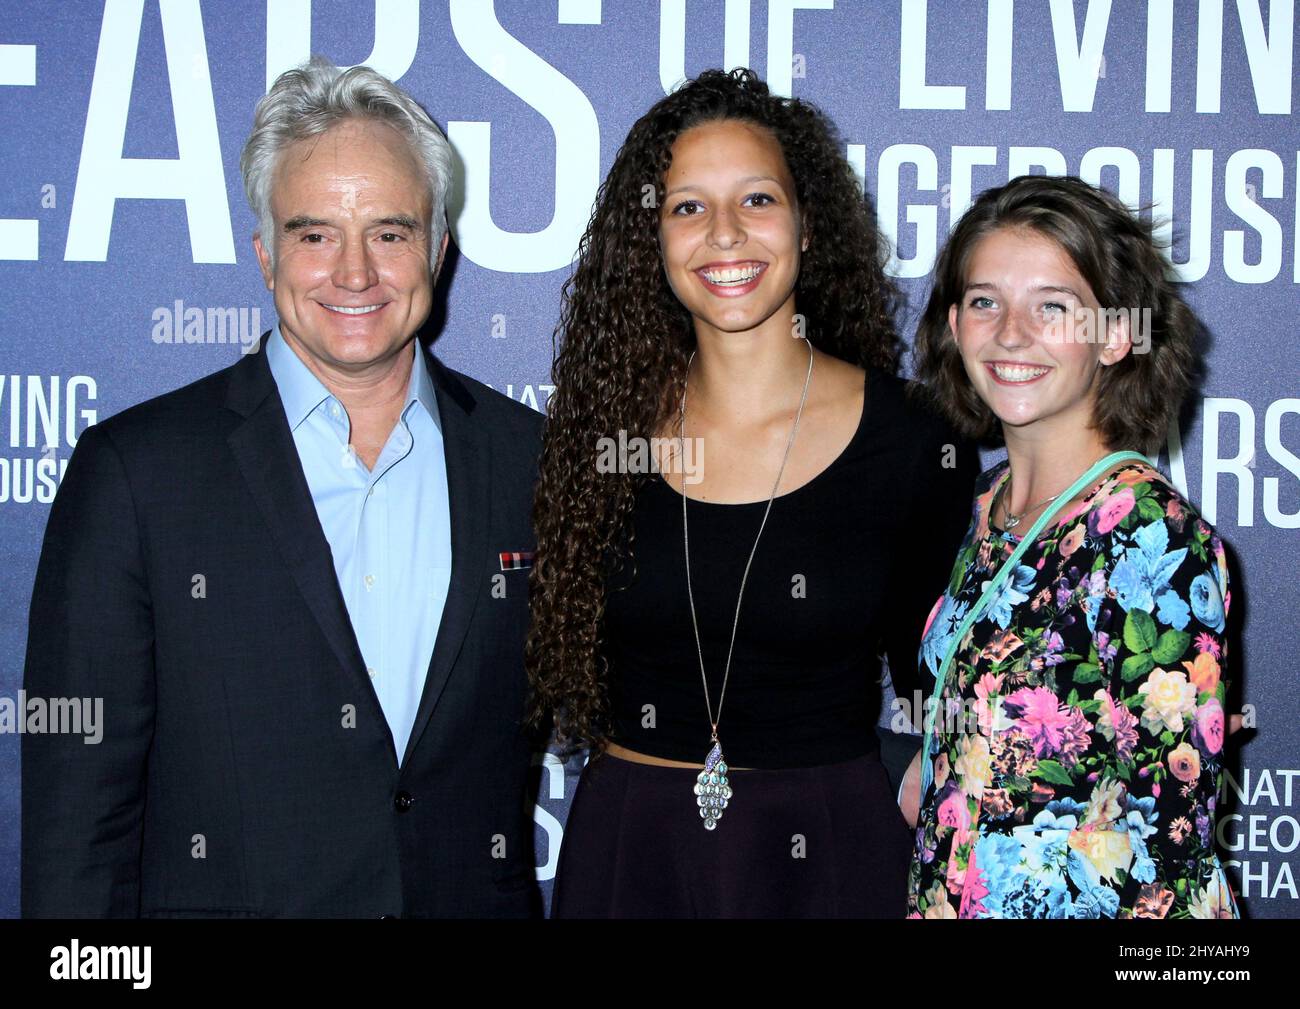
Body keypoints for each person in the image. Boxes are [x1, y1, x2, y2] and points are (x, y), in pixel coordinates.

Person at [21, 57, 543, 918]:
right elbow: (78, 828)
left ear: (439, 249)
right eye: (313, 234)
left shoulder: (531, 461)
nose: (353, 273)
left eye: (389, 231)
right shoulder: (137, 474)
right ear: (264, 253)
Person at [527, 68, 977, 918]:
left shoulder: (916, 439)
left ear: (808, 225)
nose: (725, 234)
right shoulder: (599, 435)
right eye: (688, 206)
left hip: (829, 855)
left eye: (758, 200)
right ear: (651, 239)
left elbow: (948, 680)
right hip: (633, 851)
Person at [906, 174, 1239, 919]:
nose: (1010, 332)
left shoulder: (1146, 533)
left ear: (1117, 334)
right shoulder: (990, 504)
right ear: (954, 324)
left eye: (1052, 306)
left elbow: (1173, 847)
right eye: (985, 301)